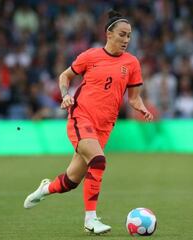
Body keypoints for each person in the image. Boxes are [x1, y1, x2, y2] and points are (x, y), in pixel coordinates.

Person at [23, 10, 153, 235]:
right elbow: (65, 76)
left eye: (129, 36)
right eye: (122, 35)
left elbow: (133, 97)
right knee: (99, 161)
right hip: (80, 117)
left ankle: (45, 189)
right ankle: (90, 220)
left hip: (105, 127)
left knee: (71, 181)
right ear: (109, 34)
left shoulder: (132, 63)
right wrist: (65, 95)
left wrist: (141, 107)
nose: (126, 40)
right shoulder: (90, 56)